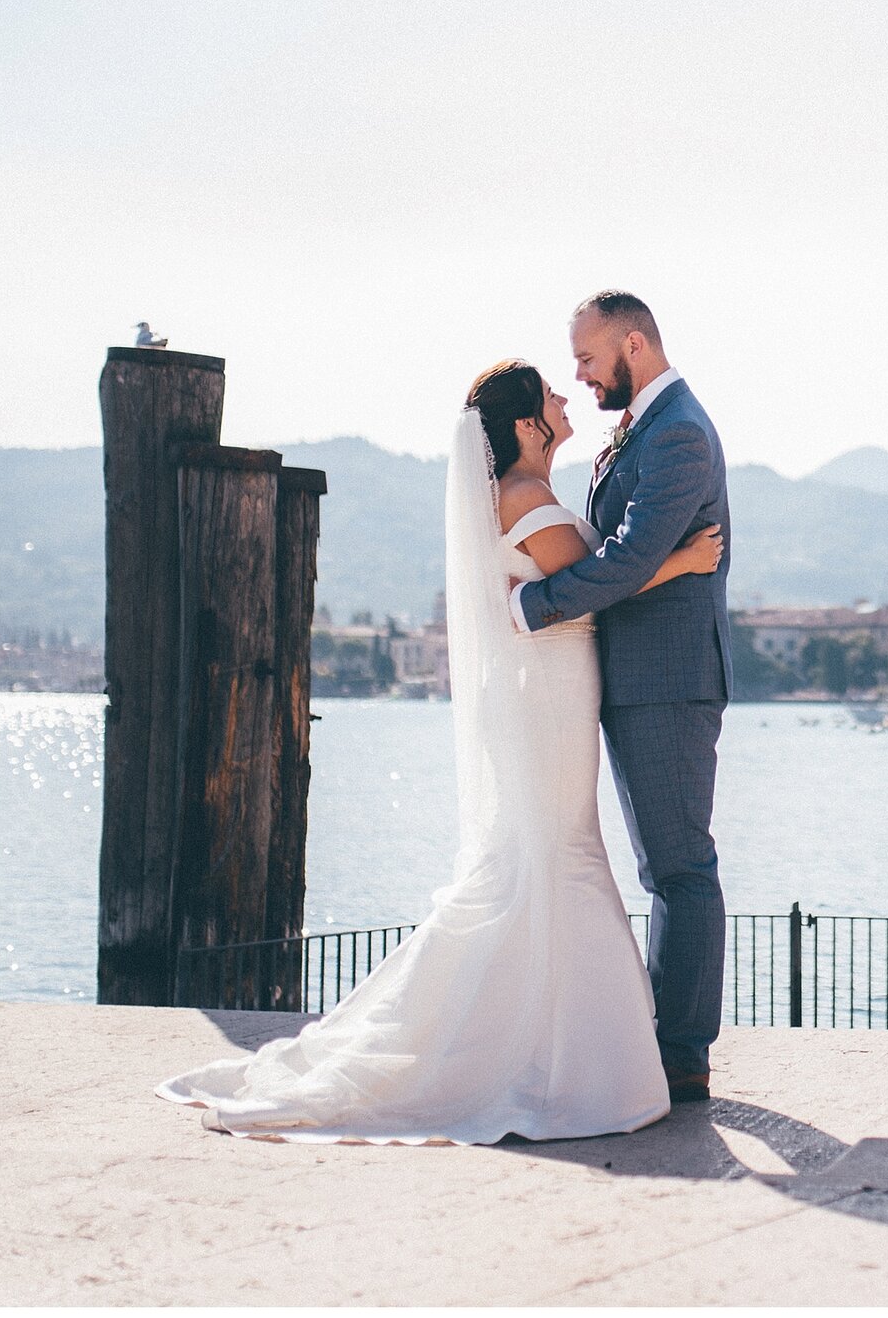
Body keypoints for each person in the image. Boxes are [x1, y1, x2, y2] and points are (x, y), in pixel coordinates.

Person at [154, 358, 722, 1144]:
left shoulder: (524, 493)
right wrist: (684, 564)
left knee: (547, 855)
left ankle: (554, 1044)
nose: (566, 396)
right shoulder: (524, 498)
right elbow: (597, 581)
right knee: (559, 854)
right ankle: (571, 1060)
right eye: (552, 395)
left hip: (549, 694)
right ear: (527, 425)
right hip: (548, 699)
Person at [511, 291, 733, 1104]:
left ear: (633, 345)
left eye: (587, 357)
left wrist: (528, 607)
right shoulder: (647, 427)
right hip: (638, 678)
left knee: (680, 868)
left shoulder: (676, 433)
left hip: (667, 682)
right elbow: (624, 555)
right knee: (664, 868)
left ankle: (681, 1056)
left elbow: (630, 560)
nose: (578, 373)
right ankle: (663, 1043)